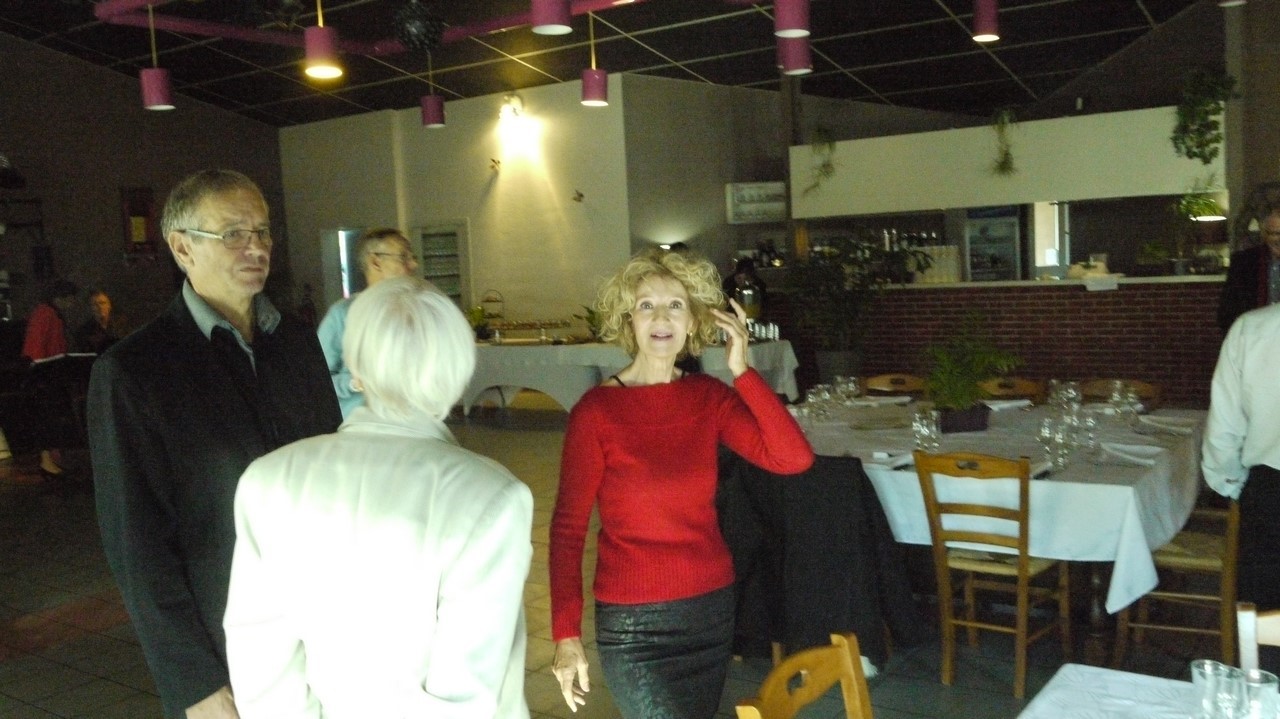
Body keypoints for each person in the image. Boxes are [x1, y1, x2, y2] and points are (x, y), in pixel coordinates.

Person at [88, 169, 342, 719]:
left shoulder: (296, 344)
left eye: (263, 231)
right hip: (227, 638)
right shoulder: (136, 371)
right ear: (182, 248)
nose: (256, 247)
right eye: (232, 233)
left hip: (325, 623)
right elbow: (136, 544)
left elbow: (333, 473)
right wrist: (194, 683)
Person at [224, 277, 533, 718]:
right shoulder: (491, 497)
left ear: (356, 367)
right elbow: (465, 693)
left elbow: (260, 657)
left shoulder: (269, 479)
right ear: (457, 370)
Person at [550, 248, 813, 718]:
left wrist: (742, 371)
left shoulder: (708, 397)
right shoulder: (596, 412)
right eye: (646, 305)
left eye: (675, 305)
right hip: (633, 625)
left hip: (707, 610)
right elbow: (567, 530)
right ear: (629, 320)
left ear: (693, 322)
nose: (661, 317)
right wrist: (566, 633)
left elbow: (792, 458)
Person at [1203, 300, 1280, 616]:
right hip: (1270, 489)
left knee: (1267, 621)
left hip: (1271, 491)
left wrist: (1235, 487)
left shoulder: (1252, 328)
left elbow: (1223, 431)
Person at [316, 228, 420, 418]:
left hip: (411, 423)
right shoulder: (342, 315)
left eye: (412, 257)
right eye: (404, 257)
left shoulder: (416, 312)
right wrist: (355, 382)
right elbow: (316, 382)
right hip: (358, 426)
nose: (413, 265)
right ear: (375, 262)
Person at [21, 279, 79, 477]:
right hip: (45, 375)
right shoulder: (45, 314)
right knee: (48, 417)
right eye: (70, 299)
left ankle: (53, 459)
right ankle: (47, 461)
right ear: (60, 297)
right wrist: (42, 369)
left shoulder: (49, 313)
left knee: (53, 416)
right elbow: (36, 348)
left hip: (49, 373)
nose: (72, 303)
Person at [1217, 208, 1280, 333]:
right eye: (1275, 234)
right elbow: (1228, 310)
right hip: (1253, 335)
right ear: (1264, 235)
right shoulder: (1243, 262)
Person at [74, 288, 125, 353]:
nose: (100, 307)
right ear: (90, 308)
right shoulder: (84, 332)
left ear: (109, 305)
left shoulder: (121, 326)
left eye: (102, 303)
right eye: (95, 304)